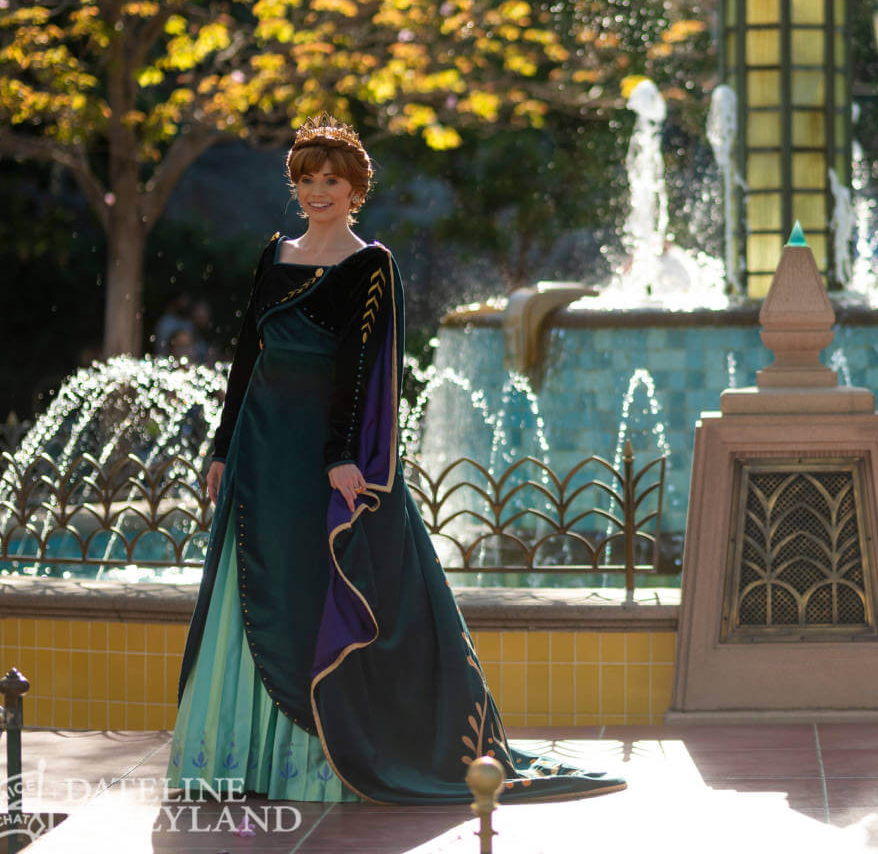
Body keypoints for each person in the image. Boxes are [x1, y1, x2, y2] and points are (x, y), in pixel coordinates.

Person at [167, 116, 623, 804]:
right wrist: (223, 447)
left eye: (332, 182)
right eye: (307, 181)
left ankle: (316, 766)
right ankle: (241, 762)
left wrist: (342, 458)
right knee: (256, 588)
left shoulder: (369, 265)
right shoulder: (274, 255)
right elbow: (245, 358)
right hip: (261, 446)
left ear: (355, 190)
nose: (318, 192)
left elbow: (363, 370)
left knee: (315, 591)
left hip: (317, 457)